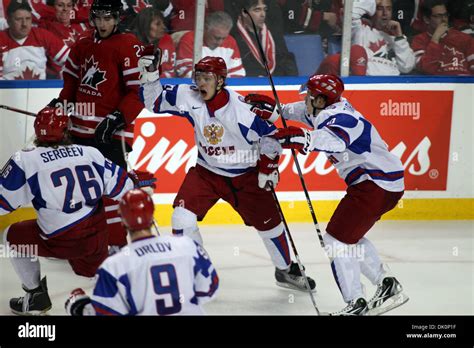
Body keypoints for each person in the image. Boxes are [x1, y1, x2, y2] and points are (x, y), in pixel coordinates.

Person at [138, 53, 316, 292]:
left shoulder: (242, 111)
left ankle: (285, 270)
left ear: (220, 81)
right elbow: (154, 101)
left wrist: (268, 168)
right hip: (206, 173)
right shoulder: (189, 98)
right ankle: (196, 270)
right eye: (198, 77)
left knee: (270, 226)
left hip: (246, 176)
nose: (201, 83)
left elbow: (271, 138)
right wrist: (150, 76)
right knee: (181, 217)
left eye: (207, 78)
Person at [248, 74, 409, 315]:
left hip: (375, 183)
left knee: (336, 239)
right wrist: (275, 110)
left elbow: (333, 141)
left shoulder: (343, 118)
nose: (306, 100)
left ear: (321, 100)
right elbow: (294, 112)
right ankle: (387, 285)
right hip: (381, 183)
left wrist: (299, 138)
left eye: (310, 96)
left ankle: (356, 302)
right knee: (348, 237)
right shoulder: (323, 109)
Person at [0, 108, 150, 315]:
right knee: (99, 277)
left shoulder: (24, 159)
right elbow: (124, 188)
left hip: (58, 242)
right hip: (96, 242)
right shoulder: (91, 153)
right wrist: (136, 180)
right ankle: (126, 297)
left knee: (10, 235)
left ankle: (35, 297)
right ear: (66, 131)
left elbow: (3, 204)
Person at [39, 0, 146, 249]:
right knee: (82, 190)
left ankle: (117, 245)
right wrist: (60, 105)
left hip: (112, 135)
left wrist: (118, 118)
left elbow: (139, 91)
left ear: (117, 18)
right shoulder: (83, 44)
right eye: (98, 18)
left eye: (107, 18)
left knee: (112, 191)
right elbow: (71, 85)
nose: (102, 23)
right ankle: (87, 241)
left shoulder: (129, 44)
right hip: (78, 133)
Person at [65, 188, 219, 315]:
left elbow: (106, 312)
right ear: (152, 215)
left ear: (122, 220)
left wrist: (79, 306)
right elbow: (209, 288)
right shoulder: (186, 245)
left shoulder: (114, 265)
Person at [0, 0, 69, 79]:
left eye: (28, 18)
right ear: (8, 21)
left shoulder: (42, 35)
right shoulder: (1, 39)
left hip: (40, 90)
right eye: (19, 19)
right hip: (8, 90)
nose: (24, 24)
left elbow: (71, 60)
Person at [230, 0, 298, 76]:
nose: (263, 14)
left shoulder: (273, 34)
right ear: (244, 12)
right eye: (257, 10)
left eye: (264, 9)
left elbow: (286, 61)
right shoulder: (234, 38)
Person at [351, 0, 415, 75]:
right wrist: (374, 2)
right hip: (368, 82)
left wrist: (399, 37)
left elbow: (407, 67)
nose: (385, 13)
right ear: (372, 11)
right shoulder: (360, 31)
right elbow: (350, 13)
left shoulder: (398, 39)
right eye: (380, 8)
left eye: (388, 9)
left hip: (394, 83)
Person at [411, 0, 474, 75]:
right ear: (426, 19)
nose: (444, 19)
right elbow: (426, 69)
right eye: (438, 16)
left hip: (464, 82)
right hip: (437, 84)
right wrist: (435, 38)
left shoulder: (464, 38)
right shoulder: (419, 40)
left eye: (445, 15)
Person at [176, 11, 245, 78]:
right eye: (217, 38)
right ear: (205, 29)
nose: (220, 42)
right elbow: (185, 72)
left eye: (224, 38)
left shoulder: (230, 41)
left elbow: (237, 73)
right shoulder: (189, 39)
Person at [129, 7, 176, 78]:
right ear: (145, 25)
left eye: (163, 23)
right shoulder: (129, 43)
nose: (164, 27)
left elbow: (170, 72)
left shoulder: (166, 39)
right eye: (157, 24)